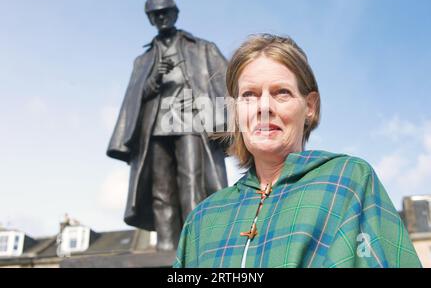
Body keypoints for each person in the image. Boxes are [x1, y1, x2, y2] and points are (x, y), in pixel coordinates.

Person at [173, 34, 422, 267]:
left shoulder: (349, 181)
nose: (264, 107)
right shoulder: (202, 219)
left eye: (282, 92)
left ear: (310, 106)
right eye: (249, 95)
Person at [107, 0, 228, 251]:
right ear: (150, 19)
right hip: (155, 127)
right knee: (160, 190)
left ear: (175, 13)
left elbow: (228, 81)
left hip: (189, 119)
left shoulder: (201, 47)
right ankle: (165, 247)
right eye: (155, 14)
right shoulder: (143, 60)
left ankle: (197, 244)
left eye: (165, 12)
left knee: (192, 183)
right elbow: (134, 98)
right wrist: (152, 82)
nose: (161, 17)